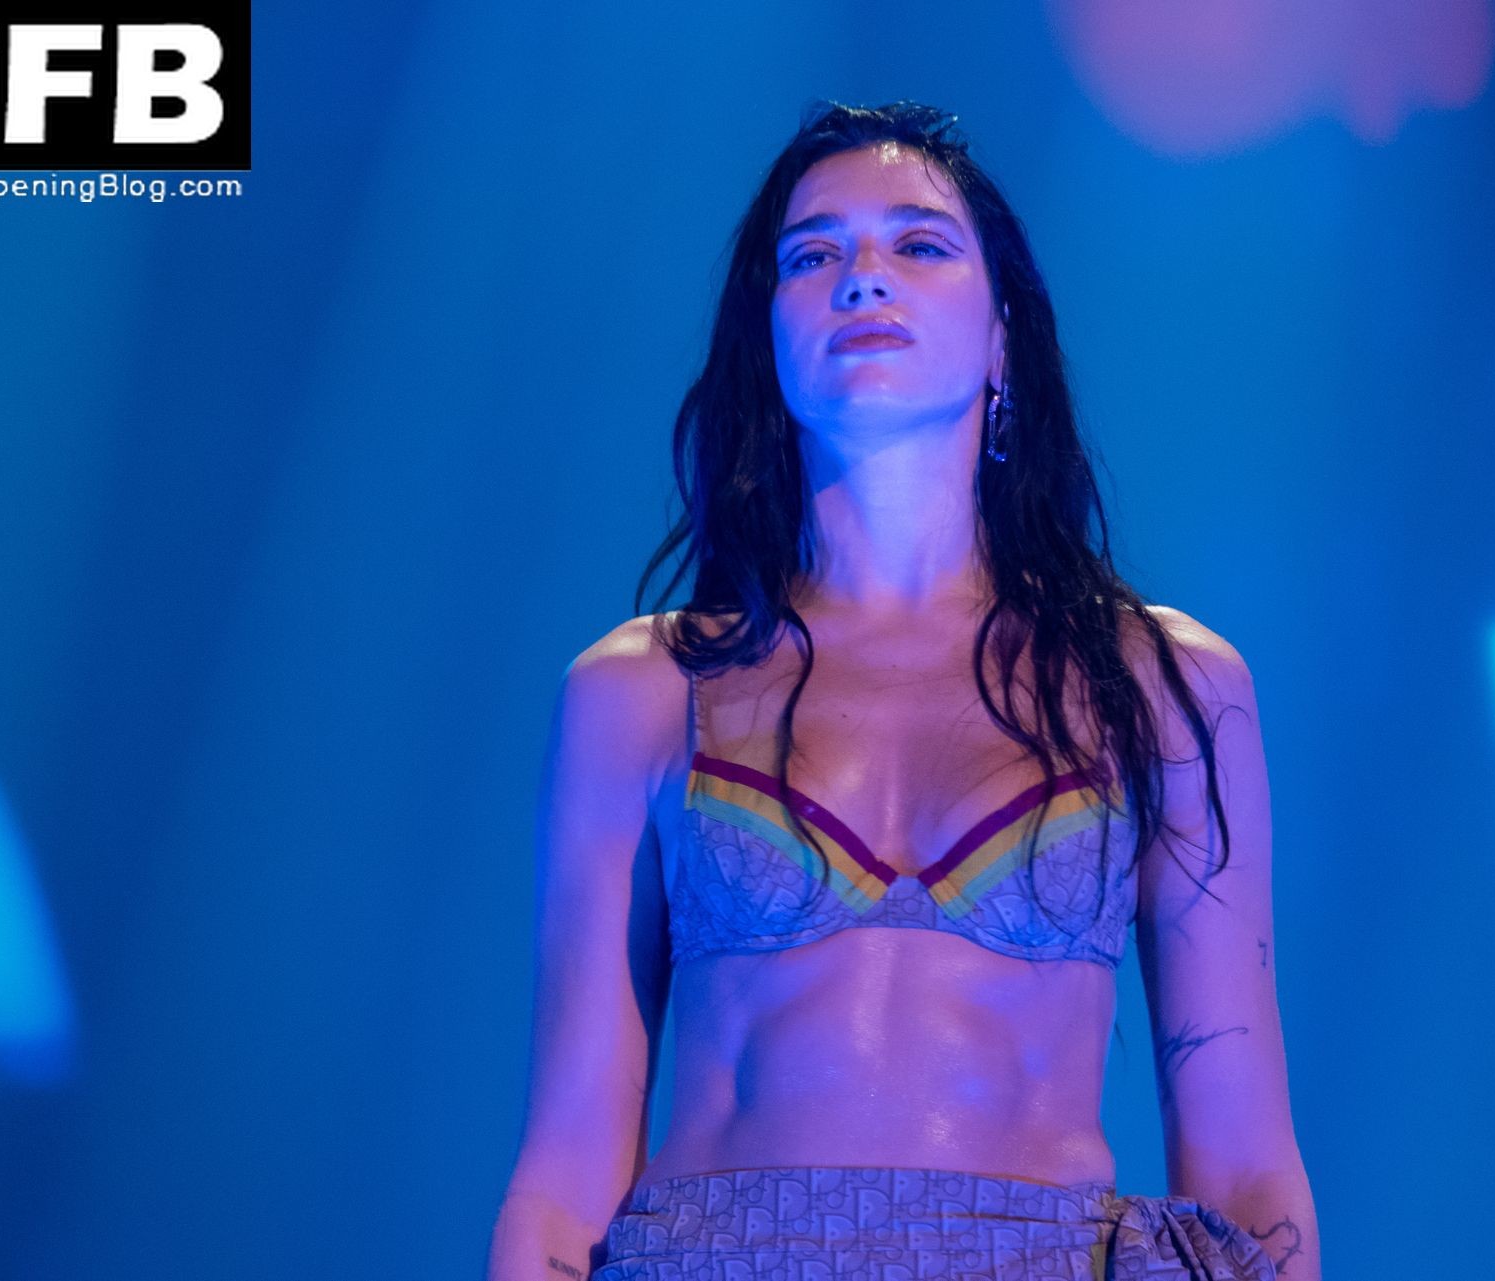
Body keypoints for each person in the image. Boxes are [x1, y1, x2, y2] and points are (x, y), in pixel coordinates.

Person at [489, 100, 1320, 1281]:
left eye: (919, 245)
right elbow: (565, 1169)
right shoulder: (642, 692)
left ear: (1003, 341)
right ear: (770, 340)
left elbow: (1245, 1166)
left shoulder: (1164, 683)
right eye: (812, 256)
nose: (862, 278)